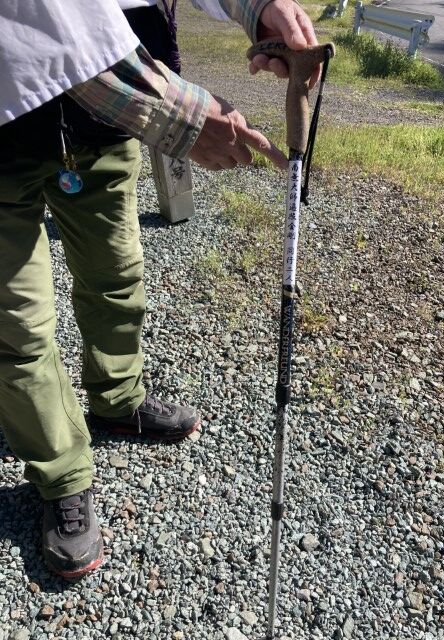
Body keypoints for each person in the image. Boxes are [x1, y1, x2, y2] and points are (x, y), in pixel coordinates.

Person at [0, 0, 319, 578]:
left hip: (98, 131)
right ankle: (62, 474)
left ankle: (118, 398)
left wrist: (259, 7)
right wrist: (177, 114)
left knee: (116, 274)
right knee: (16, 327)